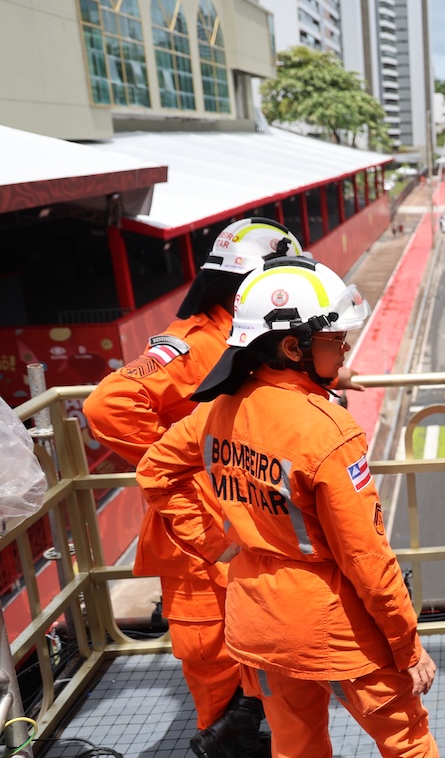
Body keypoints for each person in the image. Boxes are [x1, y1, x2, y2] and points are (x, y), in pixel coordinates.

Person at [136, 257, 437, 758]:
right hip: (336, 624)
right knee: (409, 745)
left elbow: (155, 472)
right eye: (335, 340)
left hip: (258, 620)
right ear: (292, 346)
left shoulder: (215, 411)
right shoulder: (329, 431)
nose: (344, 350)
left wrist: (215, 544)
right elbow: (366, 559)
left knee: (295, 748)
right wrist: (407, 648)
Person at [84, 217, 318, 758]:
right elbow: (108, 406)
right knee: (218, 687)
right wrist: (183, 460)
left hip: (240, 539)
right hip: (196, 547)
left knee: (263, 674)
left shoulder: (245, 343)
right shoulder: (194, 345)